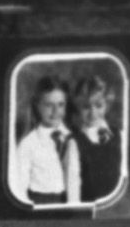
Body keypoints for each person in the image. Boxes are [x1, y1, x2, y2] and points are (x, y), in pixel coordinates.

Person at [10, 76, 79, 207]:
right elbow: (19, 187)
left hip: (70, 203)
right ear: (37, 106)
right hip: (41, 203)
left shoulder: (73, 138)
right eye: (48, 105)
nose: (56, 111)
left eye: (60, 104)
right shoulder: (28, 144)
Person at [71, 73, 124, 207]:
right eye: (86, 107)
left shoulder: (120, 135)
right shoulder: (75, 142)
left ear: (108, 105)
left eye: (98, 105)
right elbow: (73, 187)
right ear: (78, 107)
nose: (93, 113)